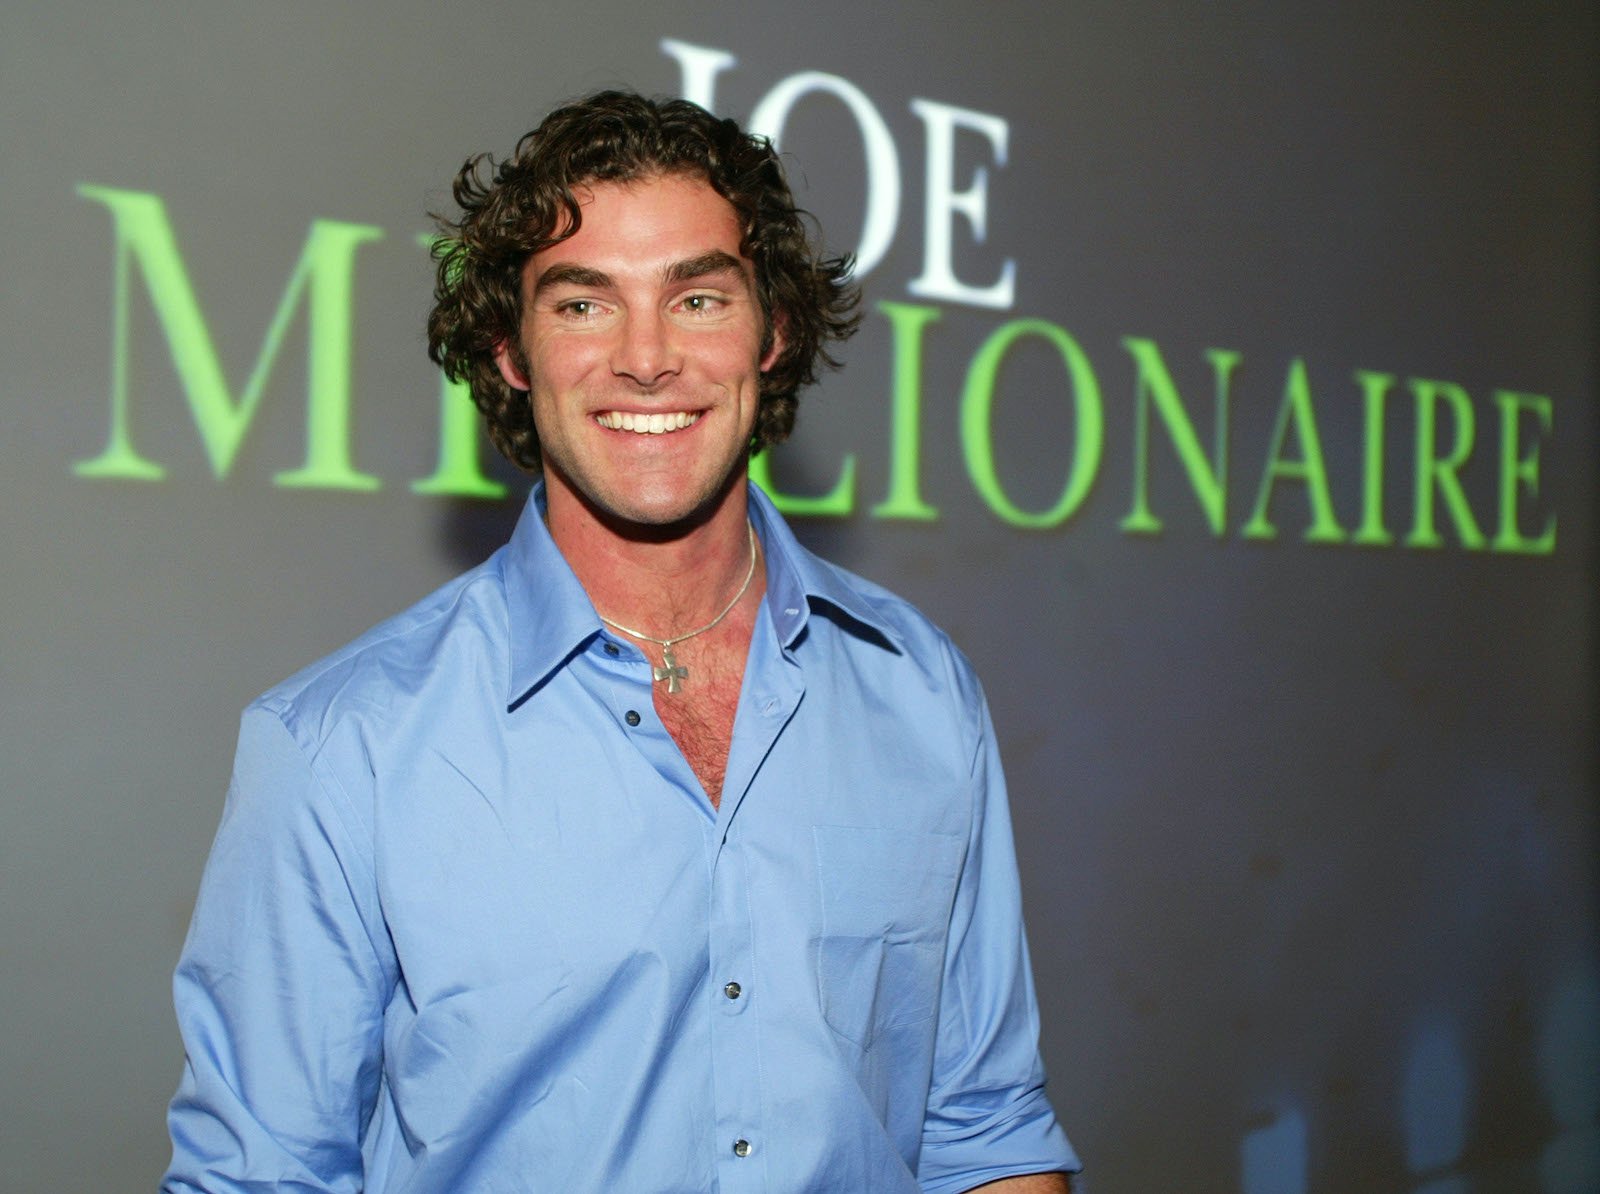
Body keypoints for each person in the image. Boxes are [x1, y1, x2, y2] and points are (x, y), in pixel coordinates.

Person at [163, 90, 1079, 1193]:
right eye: (584, 304)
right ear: (509, 349)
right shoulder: (339, 747)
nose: (647, 359)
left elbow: (983, 1130)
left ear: (774, 330)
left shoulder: (919, 689)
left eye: (697, 297)